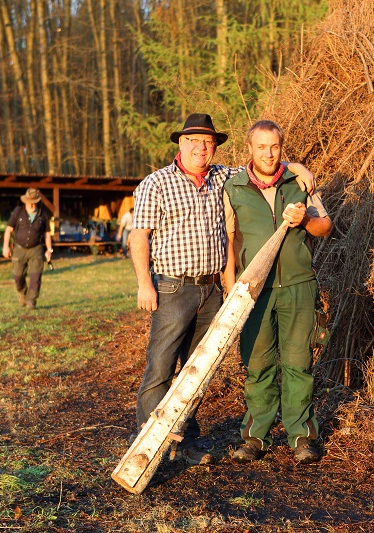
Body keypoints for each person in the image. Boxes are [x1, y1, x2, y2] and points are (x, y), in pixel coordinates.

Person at [130, 113, 315, 466]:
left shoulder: (224, 177)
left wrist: (295, 165)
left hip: (213, 290)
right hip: (172, 288)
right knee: (162, 366)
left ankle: (184, 441)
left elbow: (265, 162)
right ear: (180, 144)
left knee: (199, 369)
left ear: (215, 147)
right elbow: (139, 234)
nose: (201, 147)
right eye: (193, 141)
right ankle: (147, 446)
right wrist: (144, 284)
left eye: (208, 142)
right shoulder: (157, 183)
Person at [223, 120, 332, 464]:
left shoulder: (299, 182)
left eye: (275, 147)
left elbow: (325, 226)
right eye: (261, 147)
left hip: (298, 288)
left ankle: (301, 437)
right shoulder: (234, 188)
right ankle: (255, 438)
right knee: (258, 366)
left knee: (299, 364)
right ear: (249, 149)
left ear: (281, 148)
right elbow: (228, 242)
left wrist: (305, 220)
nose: (268, 154)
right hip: (254, 291)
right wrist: (231, 288)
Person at [2, 188, 53, 310]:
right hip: (19, 248)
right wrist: (5, 247)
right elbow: (9, 230)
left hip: (36, 249)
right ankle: (23, 292)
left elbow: (47, 234)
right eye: (29, 201)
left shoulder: (42, 215)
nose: (31, 204)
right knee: (18, 276)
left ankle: (31, 300)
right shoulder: (18, 212)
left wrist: (49, 249)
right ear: (25, 201)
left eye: (34, 201)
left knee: (35, 277)